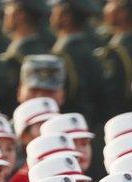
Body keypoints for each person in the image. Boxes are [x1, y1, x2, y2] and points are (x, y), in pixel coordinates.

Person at [50, 0, 105, 130]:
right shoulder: (91, 46)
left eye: (56, 9)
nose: (52, 13)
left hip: (69, 125)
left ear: (67, 17)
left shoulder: (64, 54)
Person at [0, 0, 52, 95]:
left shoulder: (14, 59)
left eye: (9, 6)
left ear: (20, 15)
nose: (5, 12)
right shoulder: (46, 53)